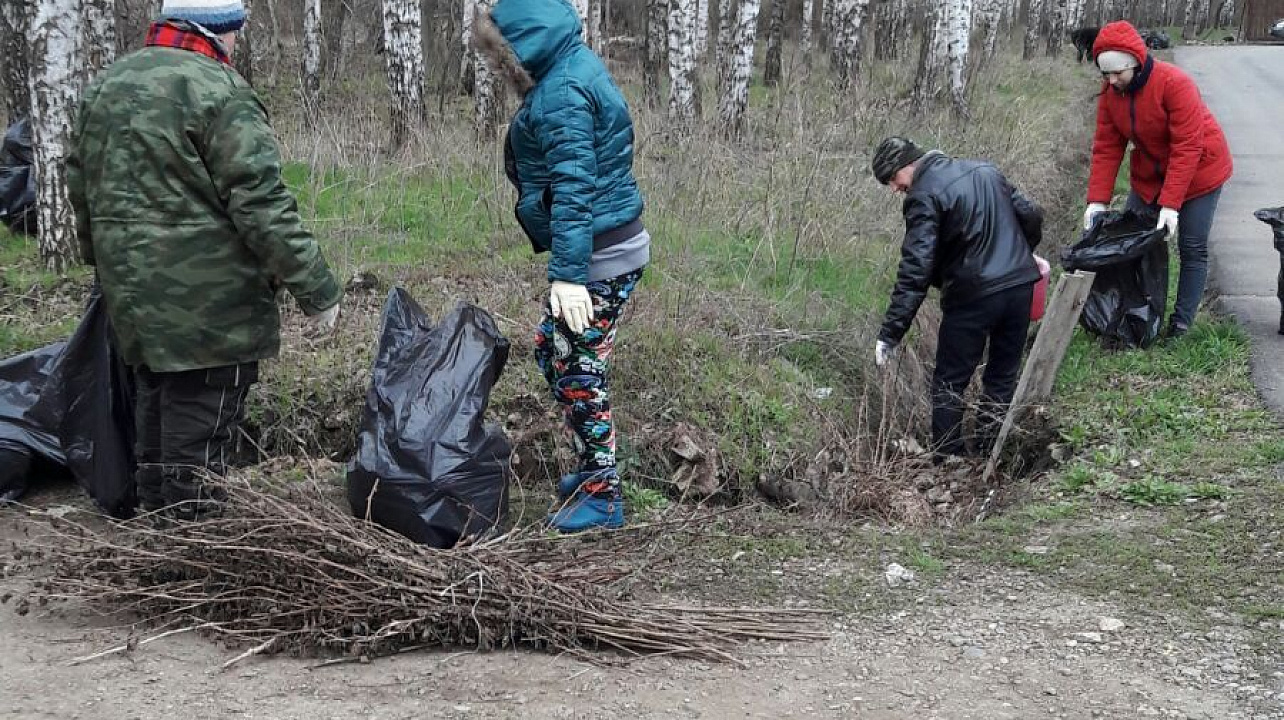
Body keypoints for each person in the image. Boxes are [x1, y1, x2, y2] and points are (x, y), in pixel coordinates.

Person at [67, 0, 342, 519]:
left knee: (154, 424)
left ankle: (158, 533)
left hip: (132, 300)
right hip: (210, 309)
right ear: (219, 29)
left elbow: (80, 189)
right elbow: (262, 205)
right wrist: (318, 290)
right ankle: (193, 547)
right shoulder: (220, 92)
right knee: (199, 442)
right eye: (237, 30)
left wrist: (105, 266)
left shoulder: (107, 86)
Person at [476, 0, 650, 532]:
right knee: (552, 350)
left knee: (577, 365)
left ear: (522, 45)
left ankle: (603, 494)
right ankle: (592, 468)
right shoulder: (569, 66)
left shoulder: (562, 93)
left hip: (600, 254)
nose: (497, 69)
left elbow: (575, 188)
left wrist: (569, 277)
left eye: (499, 58)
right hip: (606, 243)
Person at [871, 137, 1044, 462]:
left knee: (949, 381)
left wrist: (890, 333)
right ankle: (990, 451)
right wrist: (1021, 254)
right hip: (1020, 287)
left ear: (909, 164)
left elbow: (916, 269)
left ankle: (950, 460)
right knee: (1002, 375)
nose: (895, 188)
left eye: (892, 178)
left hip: (972, 297)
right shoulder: (986, 171)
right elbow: (1031, 215)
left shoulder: (924, 195)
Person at [1083, 20, 1233, 339]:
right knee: (1134, 237)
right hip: (1151, 173)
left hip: (1201, 169)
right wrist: (1097, 200)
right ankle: (1136, 316)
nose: (1111, 80)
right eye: (1105, 74)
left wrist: (1171, 205)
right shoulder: (1111, 94)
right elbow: (1107, 147)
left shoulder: (1174, 83)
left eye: (1117, 73)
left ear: (1135, 64)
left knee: (1192, 245)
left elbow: (1187, 147)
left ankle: (1181, 323)